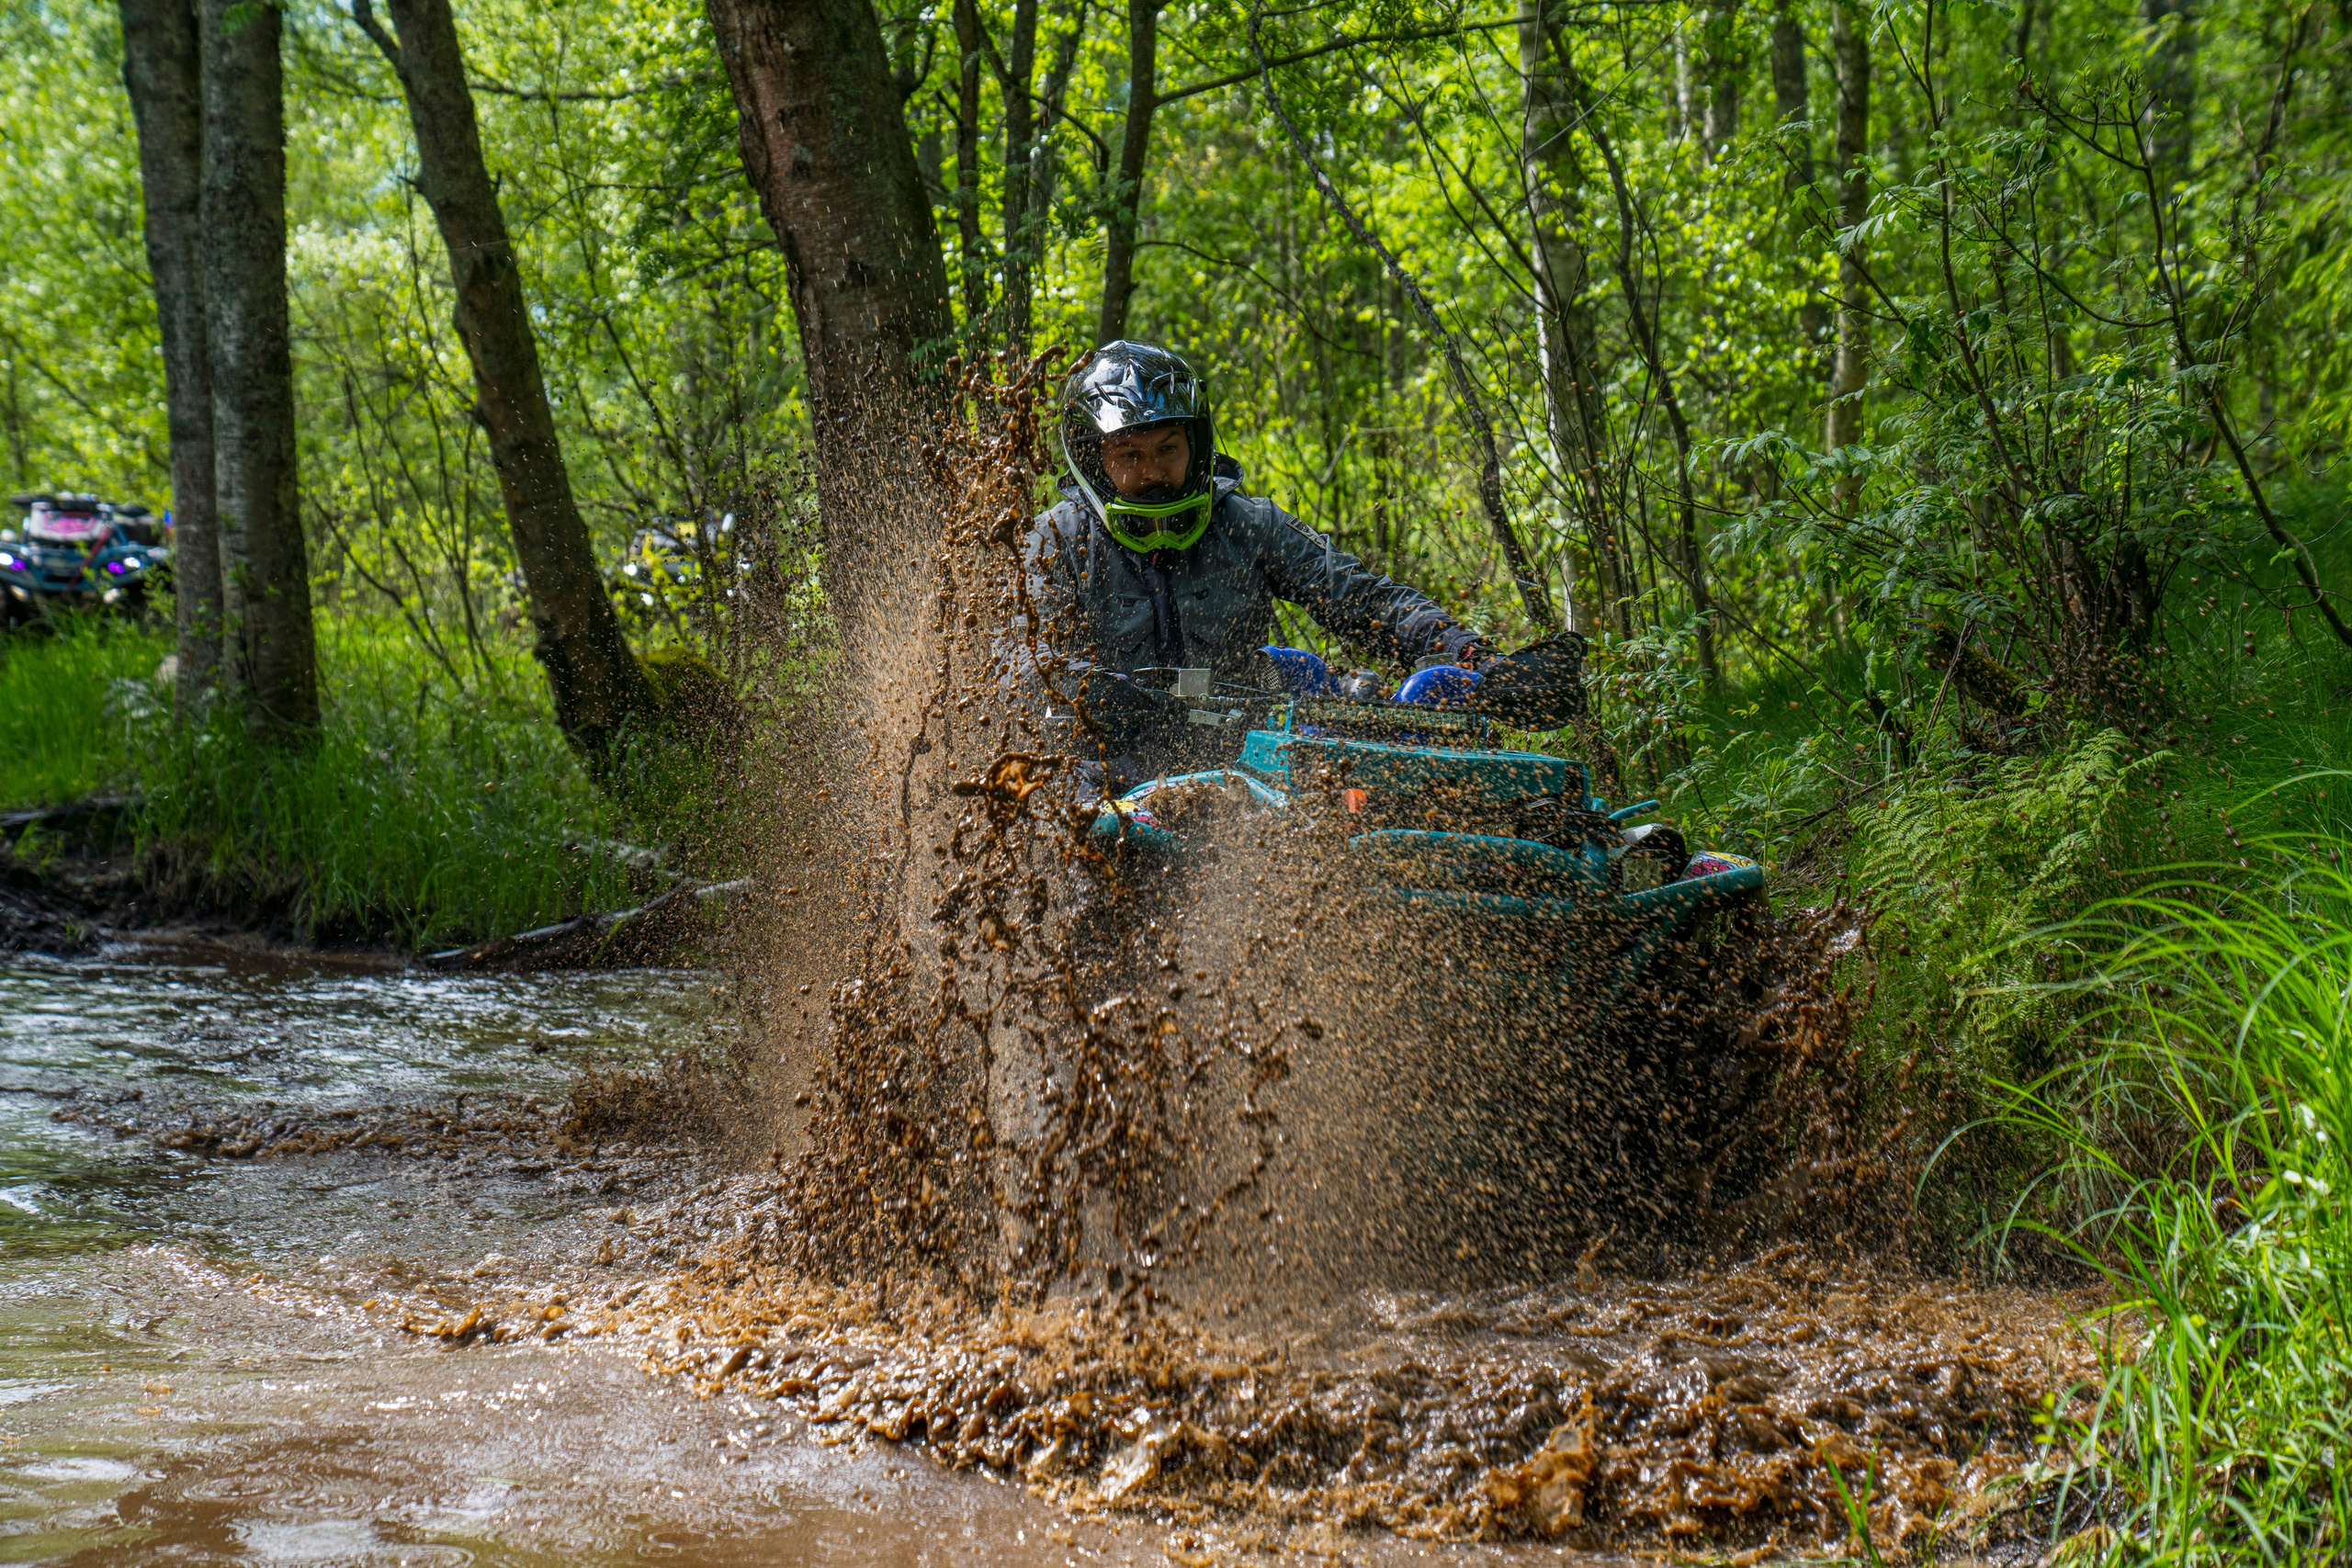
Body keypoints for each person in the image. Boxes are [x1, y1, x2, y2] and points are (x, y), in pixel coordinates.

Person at [1024, 341, 1486, 714]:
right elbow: (1016, 661)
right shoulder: (1057, 541)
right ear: (1094, 461)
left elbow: (1362, 598)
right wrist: (1086, 690)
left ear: (1196, 444)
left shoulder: (1246, 522)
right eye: (1130, 456)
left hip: (1241, 770)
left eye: (1168, 450)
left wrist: (1472, 655)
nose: (1154, 472)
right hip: (1097, 773)